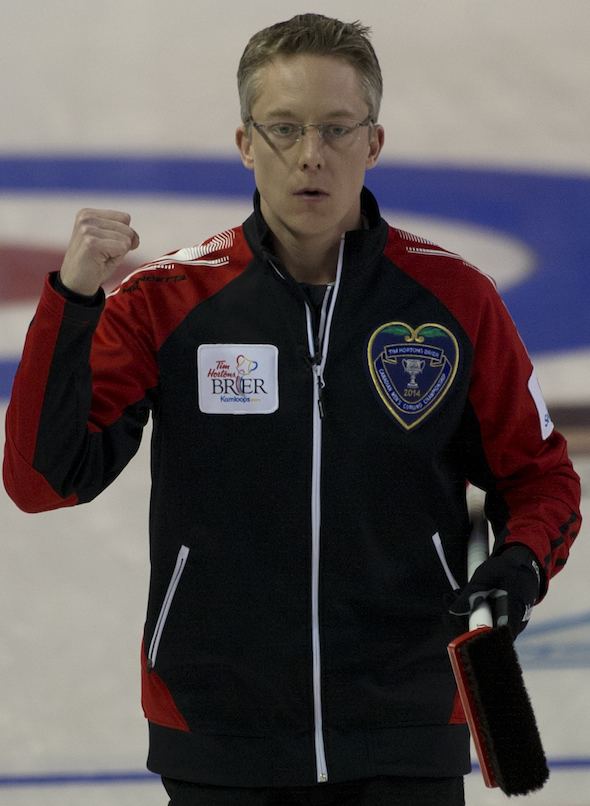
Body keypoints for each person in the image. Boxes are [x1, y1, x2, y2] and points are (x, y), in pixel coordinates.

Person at [3, 13, 582, 806]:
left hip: (405, 729)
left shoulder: (455, 301)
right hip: (218, 736)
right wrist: (71, 302)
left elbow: (541, 477)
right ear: (245, 143)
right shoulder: (165, 303)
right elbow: (41, 480)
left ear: (373, 144)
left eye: (337, 128)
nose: (311, 154)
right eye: (284, 128)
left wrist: (522, 564)